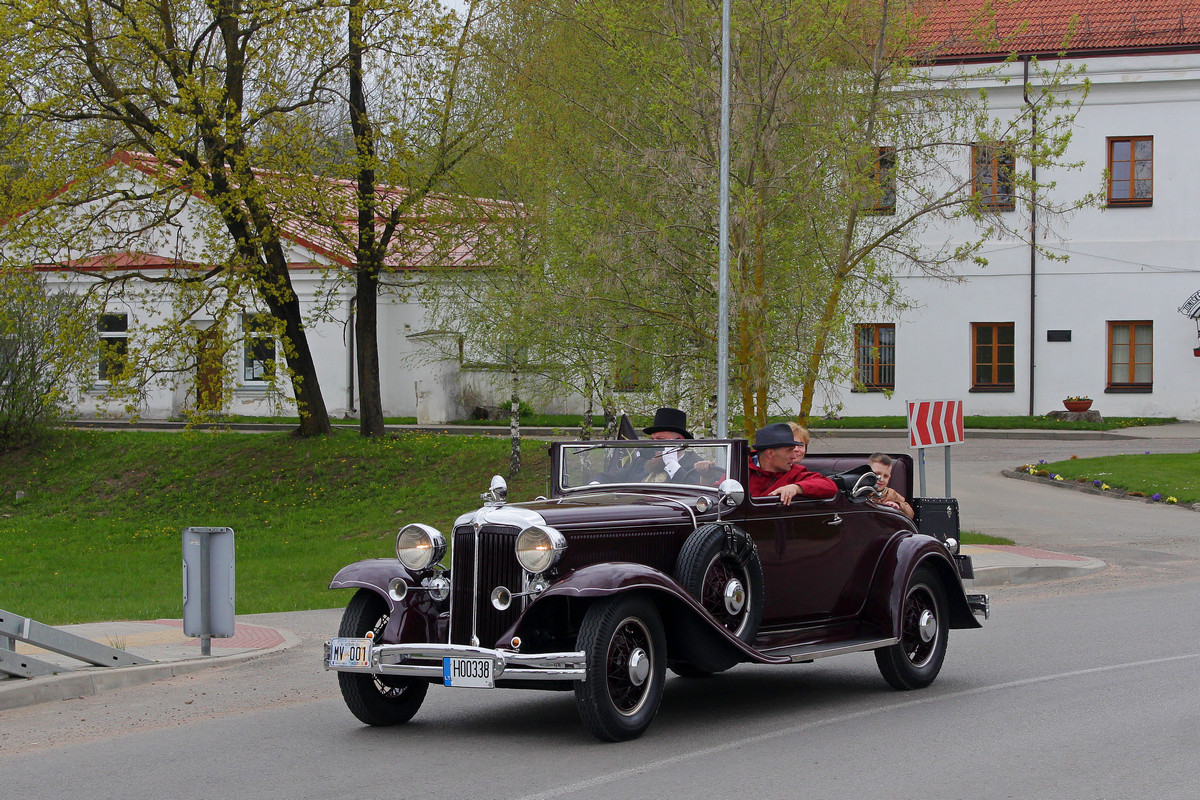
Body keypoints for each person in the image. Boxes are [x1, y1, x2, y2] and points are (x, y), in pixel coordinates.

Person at [747, 422, 837, 505]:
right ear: (770, 453)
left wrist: (796, 488)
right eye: (790, 450)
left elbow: (830, 486)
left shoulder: (795, 473)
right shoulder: (739, 469)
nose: (794, 456)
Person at [867, 452, 915, 519]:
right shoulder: (858, 491)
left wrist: (897, 505)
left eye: (886, 476)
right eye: (877, 474)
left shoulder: (891, 494)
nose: (881, 479)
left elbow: (910, 514)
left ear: (889, 478)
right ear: (867, 473)